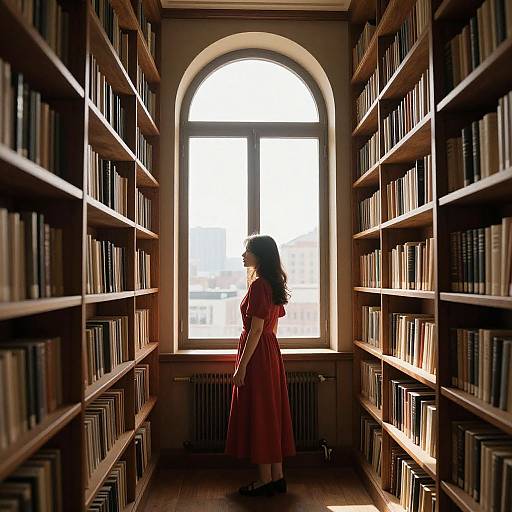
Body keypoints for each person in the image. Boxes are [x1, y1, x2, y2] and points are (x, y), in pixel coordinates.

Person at [225, 234, 296, 497]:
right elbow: (269, 328)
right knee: (271, 412)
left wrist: (241, 367)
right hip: (270, 352)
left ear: (260, 255)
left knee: (261, 414)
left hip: (257, 355)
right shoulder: (273, 283)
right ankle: (277, 477)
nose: (243, 255)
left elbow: (255, 330)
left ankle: (265, 480)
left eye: (247, 251)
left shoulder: (259, 286)